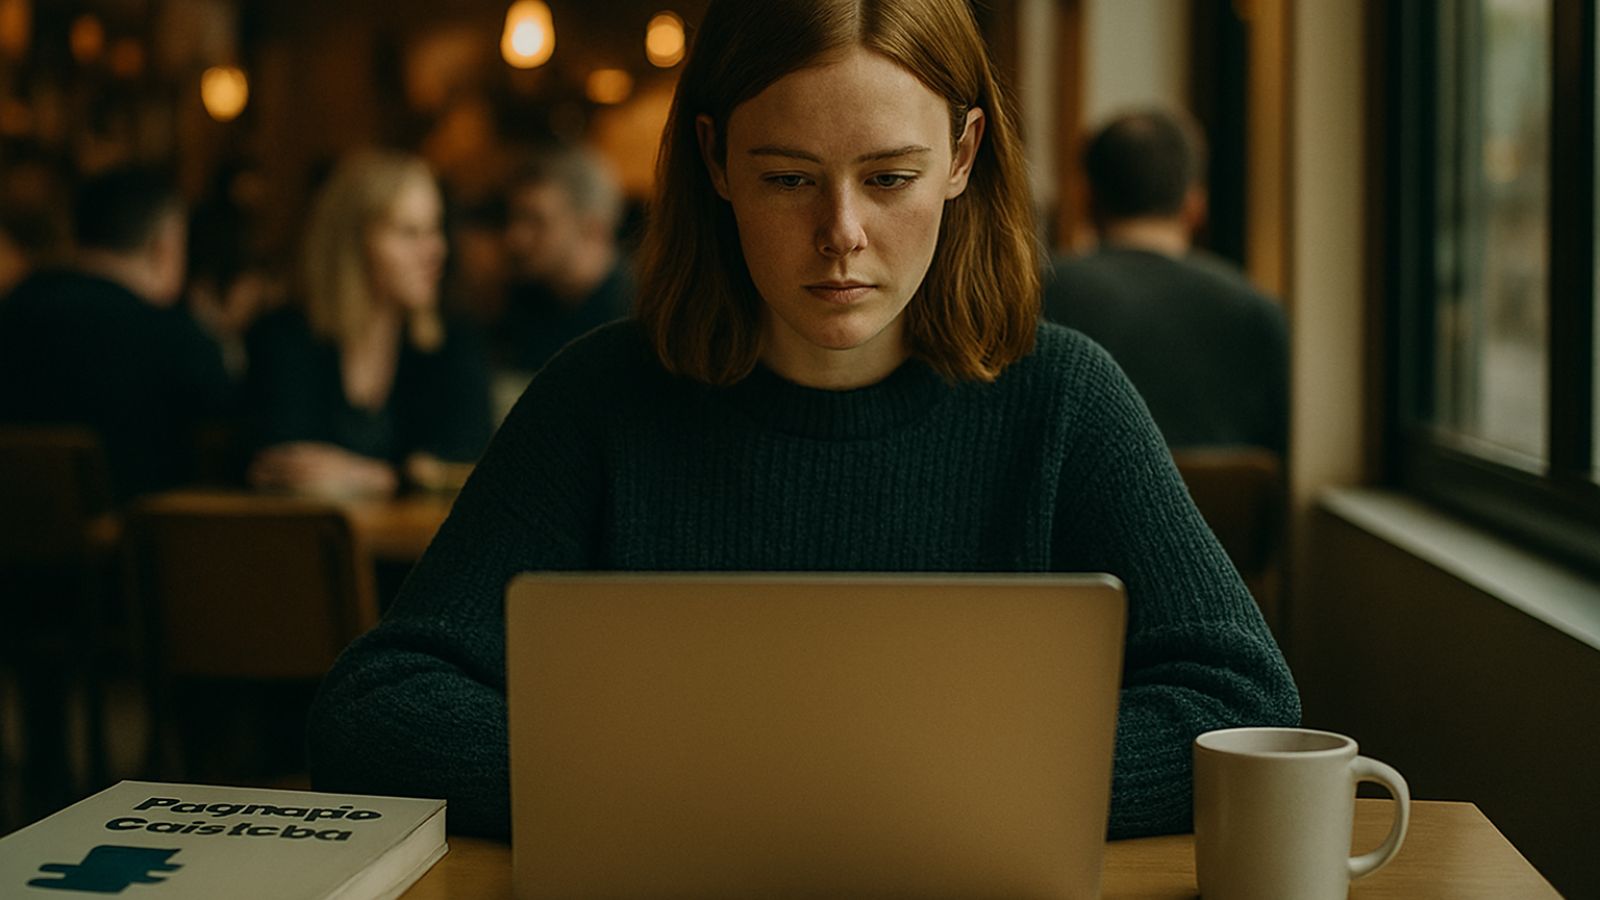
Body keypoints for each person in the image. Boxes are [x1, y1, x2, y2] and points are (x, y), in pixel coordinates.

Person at [308, 0, 1299, 841]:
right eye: (787, 178)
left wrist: (904, 794)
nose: (841, 234)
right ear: (716, 159)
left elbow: (1242, 703)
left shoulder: (1064, 399)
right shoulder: (596, 401)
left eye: (889, 177)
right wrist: (705, 795)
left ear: (962, 155)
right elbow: (376, 705)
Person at [242, 149, 494, 497]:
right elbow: (281, 465)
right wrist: (407, 474)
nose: (435, 250)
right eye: (409, 233)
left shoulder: (453, 343)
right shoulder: (284, 336)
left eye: (434, 229)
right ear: (353, 243)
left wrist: (372, 477)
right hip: (304, 545)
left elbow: (464, 466)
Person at [1044, 108, 1289, 456]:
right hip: (1220, 512)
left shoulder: (1036, 293)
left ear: (1088, 200)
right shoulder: (1258, 310)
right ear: (1195, 205)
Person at [0, 165, 232, 500]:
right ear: (163, 246)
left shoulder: (13, 310)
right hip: (138, 542)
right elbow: (226, 431)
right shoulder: (173, 338)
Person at [493, 144, 633, 374]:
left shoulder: (641, 314)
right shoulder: (520, 302)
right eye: (514, 217)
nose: (514, 237)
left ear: (592, 229)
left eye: (535, 220)